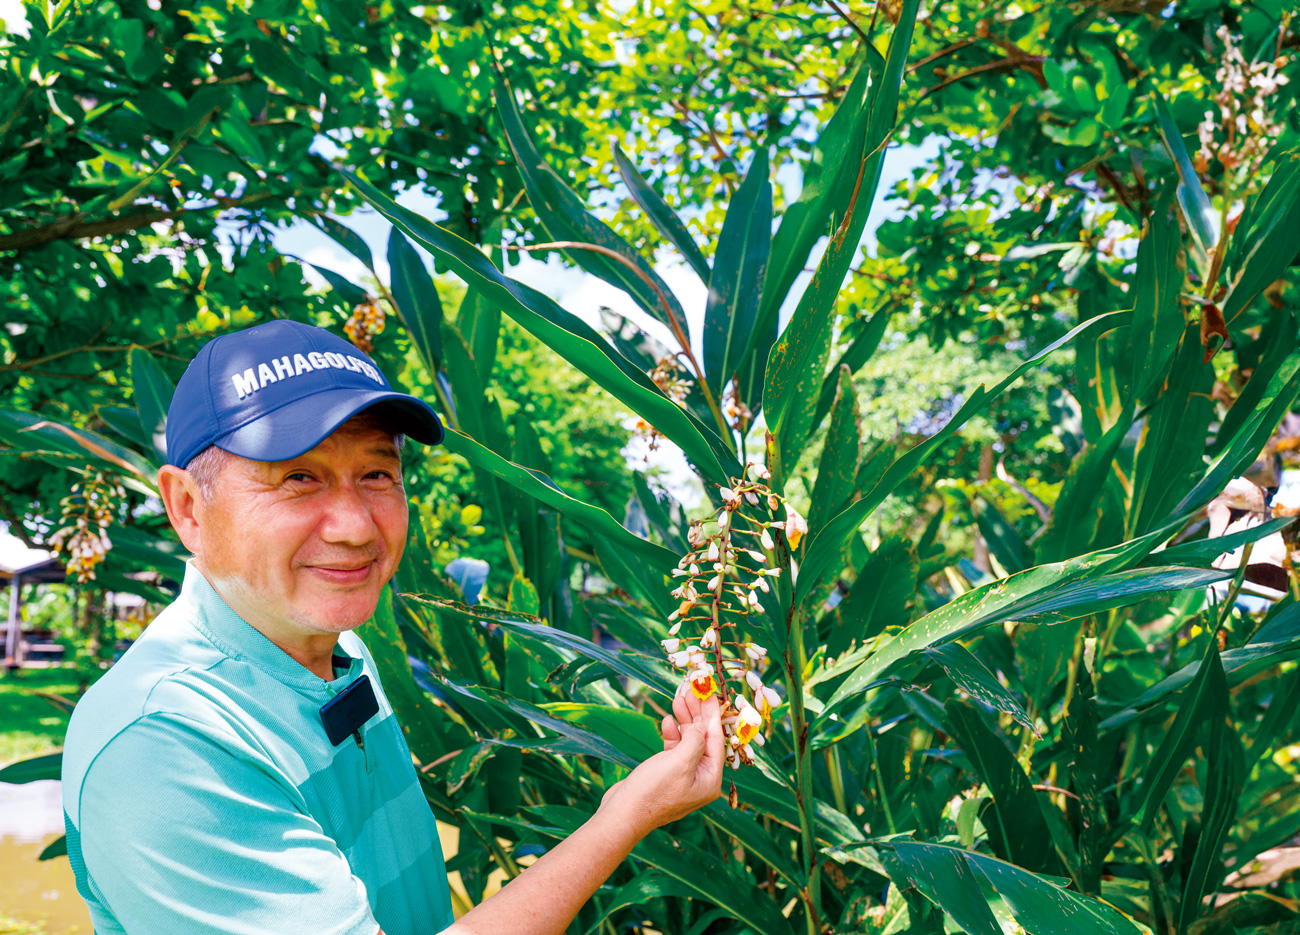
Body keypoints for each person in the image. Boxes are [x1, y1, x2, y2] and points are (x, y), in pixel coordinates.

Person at [61, 319, 723, 935]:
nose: (354, 528)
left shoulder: (338, 649)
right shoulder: (164, 741)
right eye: (298, 478)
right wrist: (627, 814)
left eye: (377, 473)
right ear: (187, 507)